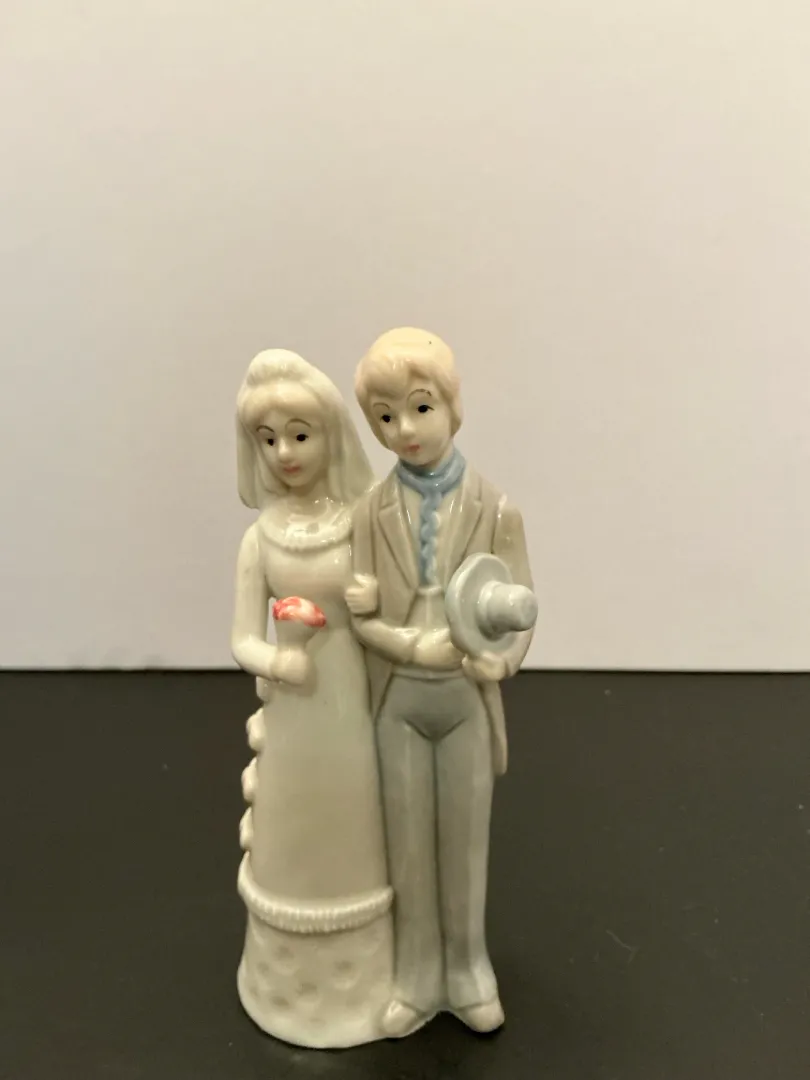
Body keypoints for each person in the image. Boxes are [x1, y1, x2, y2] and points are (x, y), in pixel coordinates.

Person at [347, 328, 534, 1037]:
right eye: (385, 417)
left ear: (454, 406)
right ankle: (417, 976)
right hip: (397, 697)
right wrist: (389, 633)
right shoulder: (369, 513)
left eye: (420, 407)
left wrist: (500, 660)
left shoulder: (496, 510)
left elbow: (521, 604)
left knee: (463, 842)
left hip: (463, 697)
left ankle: (469, 969)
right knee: (406, 845)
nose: (405, 430)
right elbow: (361, 613)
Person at [231, 349, 392, 1048]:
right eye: (268, 439)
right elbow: (242, 637)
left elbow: (395, 609)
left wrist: (371, 604)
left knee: (358, 826)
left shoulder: (364, 522)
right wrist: (279, 659)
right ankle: (288, 986)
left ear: (332, 435)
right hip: (295, 716)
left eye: (300, 434)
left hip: (353, 708)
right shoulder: (260, 539)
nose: (285, 453)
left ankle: (372, 981)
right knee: (296, 833)